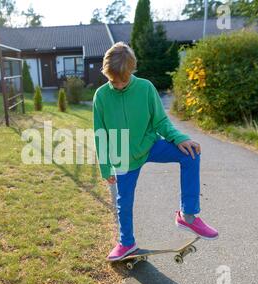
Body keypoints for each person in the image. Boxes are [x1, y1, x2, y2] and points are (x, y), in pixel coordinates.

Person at [93, 42, 219, 261]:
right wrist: (105, 167)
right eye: (114, 81)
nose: (120, 85)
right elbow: (100, 133)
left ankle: (187, 215)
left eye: (124, 80)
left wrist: (180, 138)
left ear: (132, 70)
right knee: (124, 202)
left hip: (149, 144)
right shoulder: (101, 96)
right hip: (122, 156)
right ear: (106, 73)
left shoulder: (145, 88)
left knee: (191, 153)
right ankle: (126, 243)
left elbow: (160, 121)